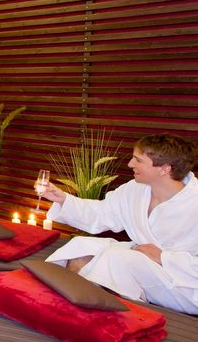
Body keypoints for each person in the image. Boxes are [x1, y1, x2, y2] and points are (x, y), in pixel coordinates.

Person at [40, 134, 197, 315]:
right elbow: (101, 213)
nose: (130, 164)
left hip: (184, 284)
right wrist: (62, 199)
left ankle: (102, 313)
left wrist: (164, 257)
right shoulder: (135, 189)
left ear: (164, 168)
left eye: (138, 160)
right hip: (144, 262)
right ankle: (71, 301)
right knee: (81, 245)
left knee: (117, 258)